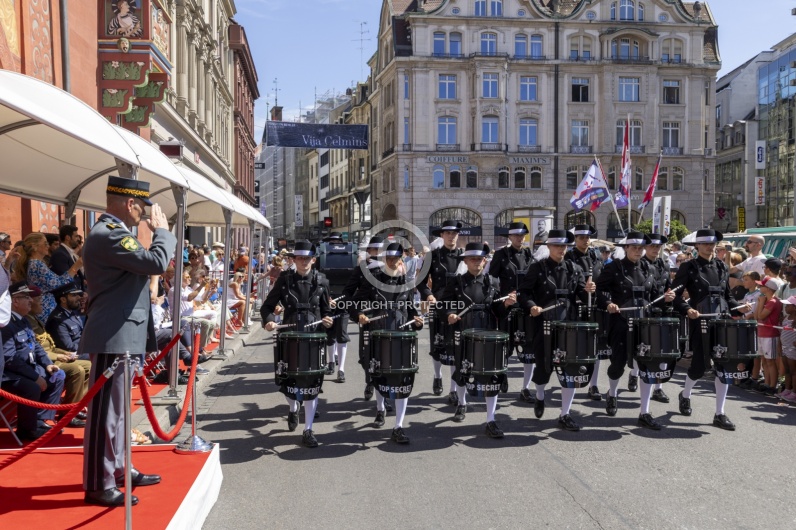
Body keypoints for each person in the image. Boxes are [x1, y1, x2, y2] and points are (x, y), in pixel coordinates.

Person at [80, 175, 176, 507]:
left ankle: (119, 468)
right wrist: (163, 233)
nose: (146, 216)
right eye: (143, 209)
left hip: (123, 333)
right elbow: (156, 262)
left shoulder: (116, 233)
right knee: (105, 414)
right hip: (112, 335)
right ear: (131, 203)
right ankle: (98, 481)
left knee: (119, 412)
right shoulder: (110, 235)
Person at [596, 231, 675, 430]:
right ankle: (612, 394)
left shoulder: (650, 268)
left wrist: (666, 299)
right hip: (621, 321)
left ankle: (645, 412)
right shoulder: (614, 267)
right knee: (618, 364)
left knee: (647, 366)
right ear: (626, 249)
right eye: (634, 248)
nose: (638, 251)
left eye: (641, 248)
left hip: (645, 323)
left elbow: (656, 294)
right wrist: (609, 303)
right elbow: (598, 291)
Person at [518, 229, 595, 431]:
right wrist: (532, 306)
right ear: (549, 247)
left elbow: (580, 292)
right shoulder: (537, 268)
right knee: (544, 367)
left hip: (568, 325)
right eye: (557, 246)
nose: (561, 249)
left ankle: (565, 414)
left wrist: (587, 291)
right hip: (543, 324)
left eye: (563, 246)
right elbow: (524, 293)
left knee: (569, 369)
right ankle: (540, 396)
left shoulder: (574, 268)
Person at [261, 241, 333, 448]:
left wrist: (328, 320)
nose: (303, 262)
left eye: (307, 258)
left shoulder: (322, 281)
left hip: (314, 338)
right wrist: (268, 321)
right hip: (290, 336)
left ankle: (308, 429)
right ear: (294, 260)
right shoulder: (284, 280)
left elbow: (326, 310)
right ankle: (293, 409)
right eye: (299, 258)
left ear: (313, 259)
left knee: (313, 385)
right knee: (289, 383)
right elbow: (266, 307)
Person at [352, 242, 424, 443]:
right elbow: (355, 302)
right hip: (378, 333)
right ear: (384, 260)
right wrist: (359, 315)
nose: (392, 262)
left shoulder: (406, 285)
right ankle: (380, 409)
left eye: (396, 259)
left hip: (401, 335)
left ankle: (399, 426)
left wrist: (418, 321)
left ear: (402, 259)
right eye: (389, 259)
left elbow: (411, 311)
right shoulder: (373, 281)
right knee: (379, 373)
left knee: (402, 379)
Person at [672, 229, 742, 431]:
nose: (709, 247)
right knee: (700, 366)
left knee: (724, 366)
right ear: (697, 246)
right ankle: (685, 395)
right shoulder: (688, 267)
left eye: (712, 244)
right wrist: (687, 309)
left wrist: (738, 308)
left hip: (722, 321)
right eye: (705, 244)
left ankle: (719, 413)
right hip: (700, 320)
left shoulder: (721, 266)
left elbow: (727, 296)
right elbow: (676, 296)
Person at [444, 242, 514, 438]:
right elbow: (444, 305)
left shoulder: (493, 282)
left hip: (488, 332)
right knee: (462, 370)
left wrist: (506, 304)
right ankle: (461, 403)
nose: (477, 262)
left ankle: (491, 419)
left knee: (491, 375)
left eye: (480, 259)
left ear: (485, 261)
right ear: (465, 261)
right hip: (464, 331)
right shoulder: (456, 282)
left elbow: (497, 310)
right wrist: (450, 314)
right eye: (473, 259)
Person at [1, 282, 64, 440]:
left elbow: (36, 347)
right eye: (26, 297)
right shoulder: (6, 325)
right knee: (32, 387)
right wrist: (36, 377)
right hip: (9, 374)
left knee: (58, 376)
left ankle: (40, 419)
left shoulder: (24, 320)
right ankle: (27, 431)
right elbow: (10, 359)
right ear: (15, 301)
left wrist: (48, 364)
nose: (31, 300)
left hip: (28, 369)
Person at [26, 285, 91, 427]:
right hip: (42, 362)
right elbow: (33, 350)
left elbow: (50, 346)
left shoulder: (32, 319)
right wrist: (58, 356)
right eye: (38, 298)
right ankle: (67, 412)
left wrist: (63, 353)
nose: (41, 302)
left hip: (49, 357)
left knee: (91, 366)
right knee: (77, 370)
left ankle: (75, 404)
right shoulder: (31, 321)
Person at [417, 220, 464, 401]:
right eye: (448, 233)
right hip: (437, 305)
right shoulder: (433, 256)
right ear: (442, 235)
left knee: (455, 347)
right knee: (437, 346)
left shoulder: (463, 256)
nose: (451, 236)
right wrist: (428, 295)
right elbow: (420, 282)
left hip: (457, 306)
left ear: (457, 236)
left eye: (454, 233)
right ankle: (437, 376)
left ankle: (453, 389)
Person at [488, 222, 536, 403]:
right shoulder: (501, 255)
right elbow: (492, 280)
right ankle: (503, 374)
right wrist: (502, 298)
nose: (519, 238)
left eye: (522, 235)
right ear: (509, 237)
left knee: (529, 351)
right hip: (506, 306)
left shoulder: (530, 254)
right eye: (516, 235)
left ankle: (526, 388)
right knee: (505, 348)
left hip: (525, 307)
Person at [564, 224, 605, 401]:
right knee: (574, 345)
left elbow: (601, 277)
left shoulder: (596, 254)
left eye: (588, 237)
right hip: (576, 304)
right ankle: (573, 377)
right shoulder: (569, 256)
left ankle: (593, 385)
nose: (585, 240)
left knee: (596, 345)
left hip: (595, 304)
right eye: (581, 237)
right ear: (575, 239)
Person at [341, 236, 384, 399]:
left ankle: (384, 394)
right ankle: (370, 381)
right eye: (376, 250)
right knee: (365, 355)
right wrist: (355, 311)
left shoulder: (393, 268)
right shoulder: (361, 269)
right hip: (367, 316)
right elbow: (348, 291)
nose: (379, 254)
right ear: (369, 252)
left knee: (386, 354)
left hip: (386, 317)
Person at [11, 232, 83, 322]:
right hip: (46, 307)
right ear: (34, 247)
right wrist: (76, 266)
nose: (48, 246)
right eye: (45, 243)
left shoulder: (35, 263)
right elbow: (58, 284)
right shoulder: (37, 264)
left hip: (44, 305)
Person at [643, 233, 675, 404]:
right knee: (643, 348)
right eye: (652, 246)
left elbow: (667, 286)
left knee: (661, 350)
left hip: (661, 310)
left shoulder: (664, 265)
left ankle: (658, 388)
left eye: (657, 246)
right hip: (645, 311)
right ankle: (635, 374)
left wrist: (670, 294)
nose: (655, 249)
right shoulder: (640, 264)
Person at [754, 276, 784, 396]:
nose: (760, 287)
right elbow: (757, 317)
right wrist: (759, 302)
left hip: (770, 335)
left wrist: (761, 302)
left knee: (770, 361)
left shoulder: (773, 301)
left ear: (768, 288)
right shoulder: (766, 300)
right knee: (765, 361)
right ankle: (767, 383)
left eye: (762, 286)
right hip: (762, 333)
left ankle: (772, 385)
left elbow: (761, 316)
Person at [46, 282, 85, 352]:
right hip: (71, 354)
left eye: (78, 294)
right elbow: (68, 347)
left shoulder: (73, 311)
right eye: (74, 295)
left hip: (82, 347)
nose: (79, 297)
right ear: (63, 300)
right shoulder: (57, 320)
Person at [50, 225, 85, 291]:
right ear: (68, 238)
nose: (78, 239)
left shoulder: (69, 253)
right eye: (76, 236)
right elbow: (64, 279)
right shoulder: (59, 254)